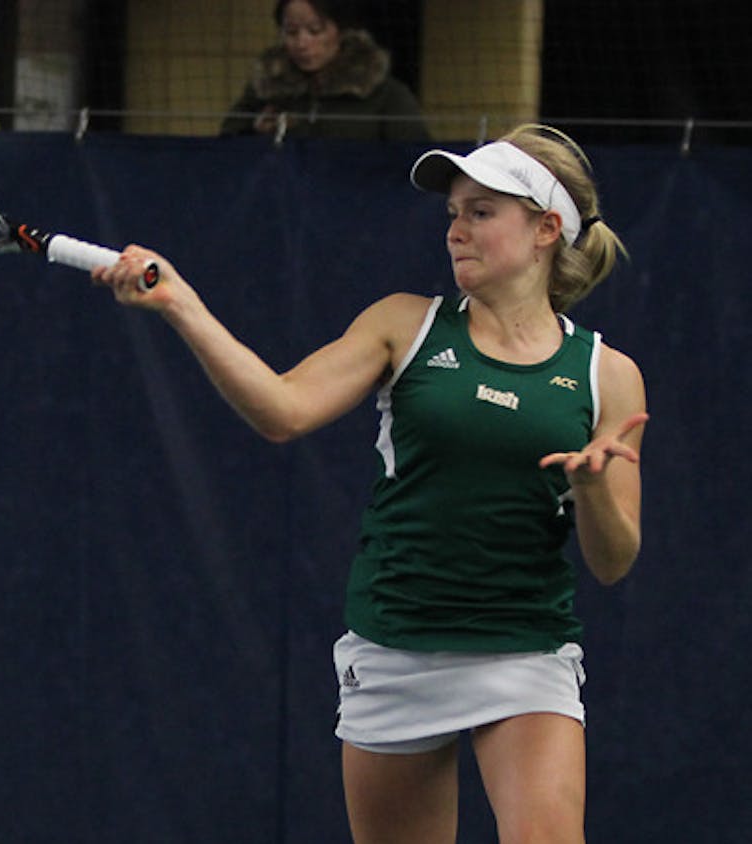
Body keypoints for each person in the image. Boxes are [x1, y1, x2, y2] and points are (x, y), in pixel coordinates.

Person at [93, 124, 646, 842]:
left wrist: (597, 490)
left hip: (524, 651)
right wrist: (181, 305)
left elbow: (614, 561)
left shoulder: (609, 375)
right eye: (454, 212)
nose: (457, 230)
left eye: (481, 212)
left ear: (546, 229)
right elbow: (281, 411)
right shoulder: (404, 325)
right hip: (396, 650)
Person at [221, 0, 429, 142]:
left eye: (315, 30)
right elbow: (226, 145)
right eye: (291, 32)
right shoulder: (266, 88)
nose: (302, 43)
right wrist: (255, 133)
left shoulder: (384, 94)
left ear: (341, 31)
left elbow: (413, 157)